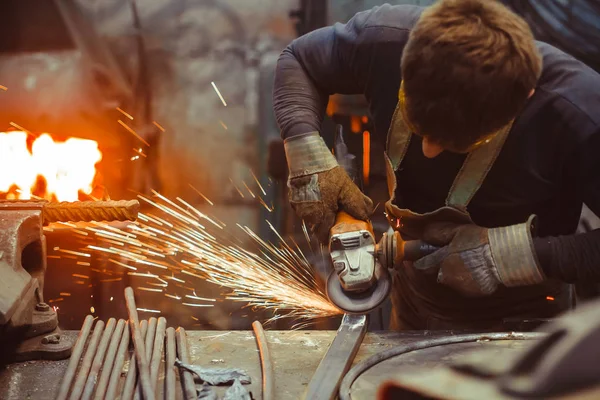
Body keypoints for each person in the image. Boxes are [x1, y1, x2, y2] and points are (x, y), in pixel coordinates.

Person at [272, 0, 600, 330]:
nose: (427, 151)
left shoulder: (579, 114)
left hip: (528, 321)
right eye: (418, 128)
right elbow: (299, 59)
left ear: (522, 100)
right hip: (416, 301)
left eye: (454, 141)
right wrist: (307, 156)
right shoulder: (386, 40)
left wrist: (512, 256)